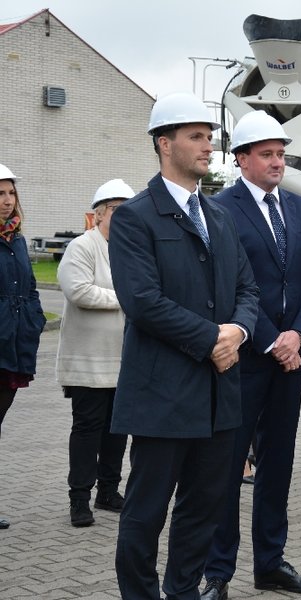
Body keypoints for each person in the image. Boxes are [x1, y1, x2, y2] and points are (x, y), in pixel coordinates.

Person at [109, 92, 259, 600]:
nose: (208, 146)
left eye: (210, 137)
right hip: (162, 395)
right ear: (164, 143)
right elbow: (143, 302)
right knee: (146, 511)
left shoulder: (219, 216)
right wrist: (211, 338)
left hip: (219, 395)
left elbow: (247, 289)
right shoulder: (135, 217)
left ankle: (183, 592)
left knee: (204, 507)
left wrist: (238, 332)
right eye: (196, 136)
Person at [202, 110, 301, 599]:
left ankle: (271, 564)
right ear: (241, 159)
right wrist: (273, 340)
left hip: (292, 360)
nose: (278, 162)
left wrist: (299, 335)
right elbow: (228, 287)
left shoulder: (300, 209)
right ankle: (218, 573)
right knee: (228, 466)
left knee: (277, 465)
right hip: (244, 359)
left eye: (281, 154)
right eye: (267, 154)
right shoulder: (220, 209)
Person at [57, 178, 134, 528]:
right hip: (88, 361)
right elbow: (79, 291)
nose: (123, 216)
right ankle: (79, 498)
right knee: (88, 429)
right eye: (116, 210)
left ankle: (108, 490)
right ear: (99, 214)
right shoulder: (82, 246)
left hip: (124, 358)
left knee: (117, 430)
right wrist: (126, 299)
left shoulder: (133, 249)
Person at [0, 163, 46, 530]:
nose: (7, 200)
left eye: (11, 193)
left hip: (15, 344)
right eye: (0, 194)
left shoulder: (17, 239)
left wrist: (34, 319)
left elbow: (29, 288)